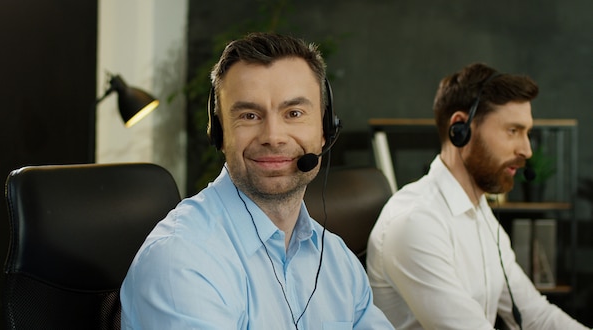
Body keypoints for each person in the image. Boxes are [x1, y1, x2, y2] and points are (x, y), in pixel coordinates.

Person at [120, 32, 393, 329]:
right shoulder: (180, 259)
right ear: (220, 133)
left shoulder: (337, 261)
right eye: (249, 116)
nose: (273, 137)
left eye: (294, 113)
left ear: (325, 130)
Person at [366, 62, 590, 329]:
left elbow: (536, 315)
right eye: (513, 131)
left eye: (527, 133)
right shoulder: (415, 222)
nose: (527, 150)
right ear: (461, 128)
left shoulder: (481, 213)